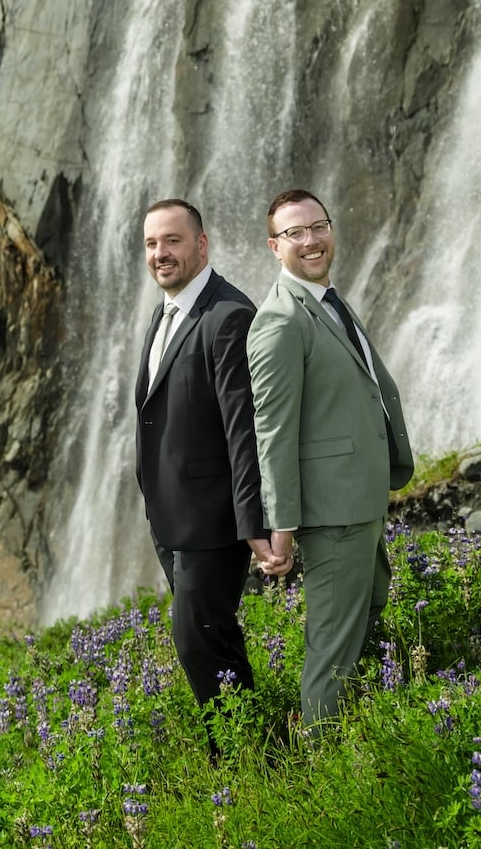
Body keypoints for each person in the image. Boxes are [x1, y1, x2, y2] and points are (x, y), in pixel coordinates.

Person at [245, 188, 415, 723]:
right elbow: (272, 432)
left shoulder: (326, 300)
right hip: (333, 511)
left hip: (358, 497)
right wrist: (282, 528)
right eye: (295, 233)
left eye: (318, 226)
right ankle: (322, 769)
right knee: (332, 650)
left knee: (365, 620)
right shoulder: (279, 321)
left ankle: (359, 734)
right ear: (276, 247)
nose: (312, 240)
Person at [132, 197, 273, 730]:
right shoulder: (167, 310)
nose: (160, 253)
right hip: (170, 516)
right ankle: (255, 757)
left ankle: (247, 757)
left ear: (201, 244)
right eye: (151, 243)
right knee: (212, 637)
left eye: (172, 240)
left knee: (196, 640)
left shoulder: (228, 314)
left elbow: (245, 427)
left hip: (213, 521)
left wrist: (253, 521)